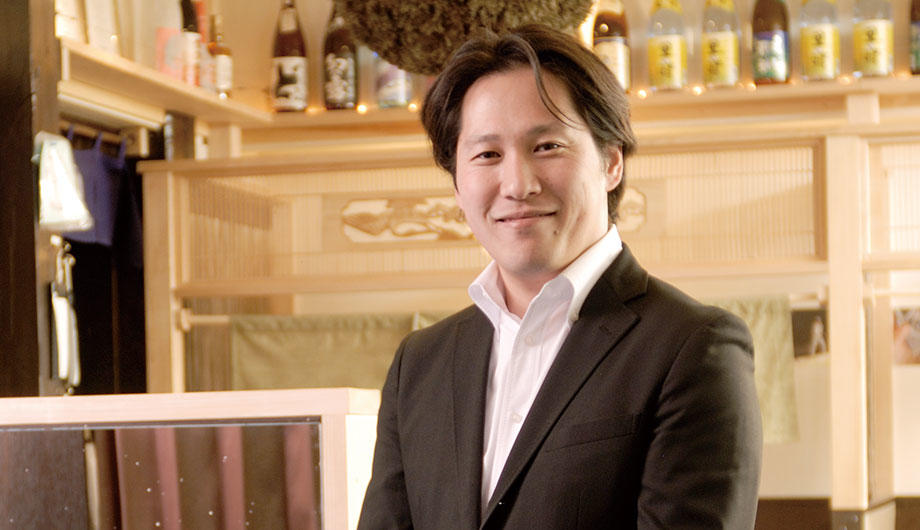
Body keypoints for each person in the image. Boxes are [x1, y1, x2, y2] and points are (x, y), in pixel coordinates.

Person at [358, 24, 762, 529]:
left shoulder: (694, 348)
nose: (517, 184)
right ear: (457, 185)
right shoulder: (419, 365)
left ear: (610, 161)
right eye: (487, 155)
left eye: (547, 146)